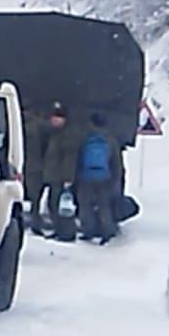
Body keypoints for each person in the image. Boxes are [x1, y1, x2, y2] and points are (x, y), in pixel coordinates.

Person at [76, 112, 124, 245]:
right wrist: (115, 180)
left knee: (85, 205)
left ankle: (88, 231)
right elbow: (116, 162)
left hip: (87, 176)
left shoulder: (85, 137)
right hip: (104, 177)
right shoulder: (110, 139)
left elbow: (78, 158)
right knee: (104, 206)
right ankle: (107, 232)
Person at [39, 102, 81, 242]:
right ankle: (60, 231)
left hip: (61, 177)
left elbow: (70, 158)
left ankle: (66, 233)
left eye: (58, 117)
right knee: (54, 205)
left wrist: (68, 177)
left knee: (60, 206)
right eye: (53, 117)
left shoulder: (67, 136)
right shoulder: (54, 134)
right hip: (53, 175)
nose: (54, 120)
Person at [22, 108, 52, 235]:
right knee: (35, 198)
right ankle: (35, 223)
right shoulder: (38, 125)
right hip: (35, 165)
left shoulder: (18, 123)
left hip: (21, 163)